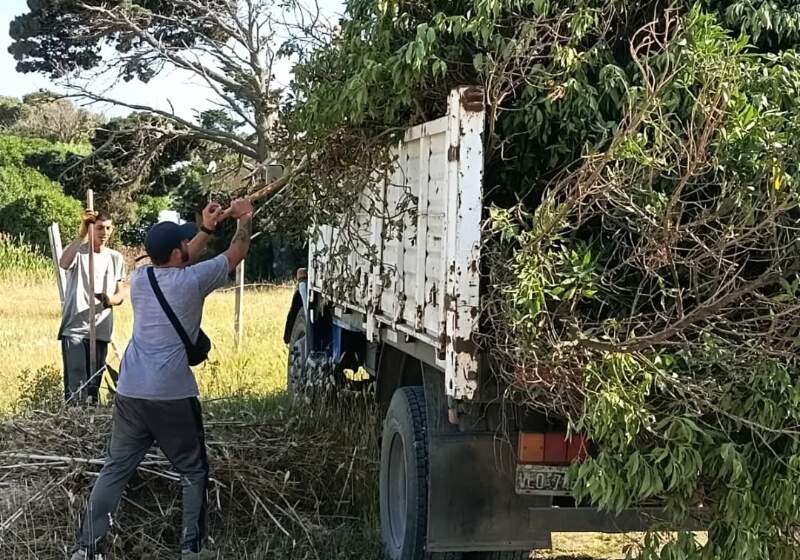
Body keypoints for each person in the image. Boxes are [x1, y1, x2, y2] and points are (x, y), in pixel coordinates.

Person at [70, 198, 254, 560]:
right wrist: (244, 217)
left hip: (130, 391)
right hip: (172, 394)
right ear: (177, 253)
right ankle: (191, 548)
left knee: (116, 468)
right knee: (193, 470)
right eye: (185, 244)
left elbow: (182, 254)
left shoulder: (141, 279)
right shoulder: (193, 281)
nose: (191, 247)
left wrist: (206, 228)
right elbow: (239, 250)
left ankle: (86, 548)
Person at [58, 210, 127, 405]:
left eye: (107, 228)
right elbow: (63, 263)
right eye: (99, 228)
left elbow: (121, 293)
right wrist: (82, 234)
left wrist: (109, 300)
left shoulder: (116, 258)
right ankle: (74, 420)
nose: (103, 232)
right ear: (91, 229)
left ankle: (91, 419)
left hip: (101, 327)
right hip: (76, 326)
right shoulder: (80, 253)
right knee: (76, 378)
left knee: (94, 380)